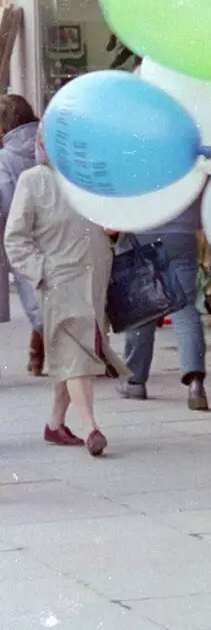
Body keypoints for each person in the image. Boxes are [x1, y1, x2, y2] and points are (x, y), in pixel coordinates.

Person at [4, 131, 118, 455]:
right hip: (59, 283)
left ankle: (55, 425)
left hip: (93, 280)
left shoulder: (89, 180)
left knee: (72, 357)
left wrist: (113, 230)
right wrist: (41, 272)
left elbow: (107, 228)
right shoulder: (33, 180)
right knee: (75, 356)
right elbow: (15, 238)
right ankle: (90, 427)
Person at [118, 194, 208, 410]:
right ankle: (195, 382)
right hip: (181, 232)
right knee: (186, 310)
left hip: (140, 231)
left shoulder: (130, 158)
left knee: (143, 305)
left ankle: (135, 381)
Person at [0, 93, 45, 375]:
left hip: (22, 234)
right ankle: (37, 353)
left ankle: (44, 348)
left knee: (32, 291)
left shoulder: (6, 157)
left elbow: (5, 199)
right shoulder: (47, 144)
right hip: (57, 228)